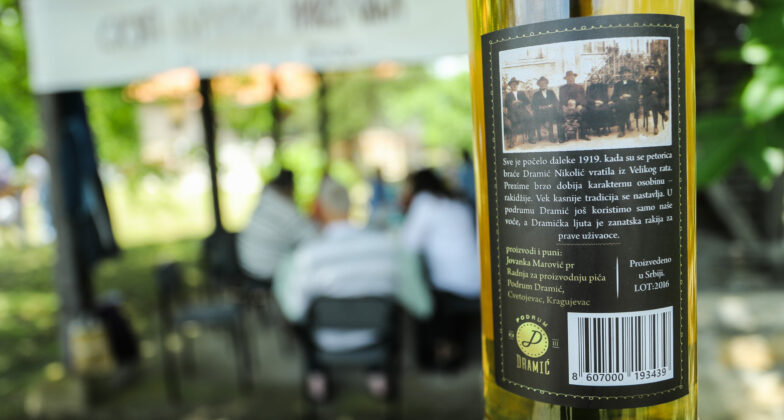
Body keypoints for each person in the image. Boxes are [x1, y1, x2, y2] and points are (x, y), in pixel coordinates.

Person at [274, 177, 432, 401]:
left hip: (324, 341)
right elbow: (417, 302)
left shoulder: (307, 256)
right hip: (376, 337)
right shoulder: (386, 246)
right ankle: (377, 373)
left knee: (302, 319)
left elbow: (294, 311)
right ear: (350, 205)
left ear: (319, 208)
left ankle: (317, 375)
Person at [401, 169, 480, 369]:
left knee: (417, 294)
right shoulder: (457, 202)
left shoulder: (424, 202)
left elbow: (409, 243)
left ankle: (437, 356)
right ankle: (452, 350)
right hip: (475, 281)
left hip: (450, 286)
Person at [237, 169, 316, 281]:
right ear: (290, 187)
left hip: (247, 265)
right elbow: (313, 238)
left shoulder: (265, 200)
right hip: (266, 272)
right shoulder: (286, 210)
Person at [610, 66, 639, 137]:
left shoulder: (633, 83)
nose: (625, 75)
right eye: (623, 73)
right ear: (621, 75)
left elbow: (637, 93)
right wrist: (620, 97)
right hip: (621, 103)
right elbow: (613, 96)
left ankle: (622, 128)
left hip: (632, 102)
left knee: (623, 106)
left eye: (626, 73)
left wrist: (629, 95)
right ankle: (623, 127)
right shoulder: (617, 84)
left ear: (629, 74)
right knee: (622, 105)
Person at [505, 78, 534, 146]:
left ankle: (531, 137)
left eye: (515, 84)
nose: (514, 86)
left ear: (517, 85)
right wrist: (512, 103)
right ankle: (513, 141)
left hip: (522, 111)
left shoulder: (521, 93)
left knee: (530, 118)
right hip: (512, 112)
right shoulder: (508, 95)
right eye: (512, 84)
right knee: (513, 120)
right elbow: (506, 104)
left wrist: (521, 102)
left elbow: (527, 102)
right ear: (510, 86)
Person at [532, 76, 560, 142]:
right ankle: (540, 135)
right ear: (538, 85)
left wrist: (551, 106)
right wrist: (540, 107)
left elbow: (556, 101)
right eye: (541, 83)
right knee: (540, 115)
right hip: (540, 113)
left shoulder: (551, 92)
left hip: (551, 111)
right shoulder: (536, 94)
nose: (542, 85)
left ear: (547, 84)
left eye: (544, 83)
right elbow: (533, 105)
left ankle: (551, 135)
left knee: (551, 113)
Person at [640, 64, 663, 135]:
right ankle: (662, 115)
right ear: (647, 72)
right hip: (648, 98)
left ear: (654, 71)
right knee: (654, 102)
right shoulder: (645, 80)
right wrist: (651, 92)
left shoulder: (657, 79)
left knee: (654, 104)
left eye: (652, 70)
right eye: (648, 70)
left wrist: (657, 92)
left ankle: (655, 126)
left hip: (657, 98)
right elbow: (643, 90)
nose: (650, 72)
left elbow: (661, 88)